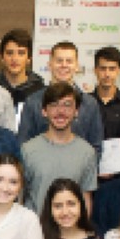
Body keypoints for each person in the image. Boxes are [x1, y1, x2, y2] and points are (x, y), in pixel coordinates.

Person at [21, 82, 97, 216]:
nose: (60, 111)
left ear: (76, 111)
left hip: (71, 232)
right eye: (54, 105)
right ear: (44, 111)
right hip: (35, 231)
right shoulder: (27, 150)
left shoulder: (87, 152)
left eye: (67, 105)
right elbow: (20, 196)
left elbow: (86, 198)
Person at [17, 41, 104, 157]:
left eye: (69, 61)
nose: (64, 65)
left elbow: (96, 147)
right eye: (59, 61)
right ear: (49, 64)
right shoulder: (33, 101)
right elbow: (23, 144)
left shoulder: (89, 103)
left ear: (76, 66)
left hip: (77, 171)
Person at [0, 28, 45, 129]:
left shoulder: (40, 90)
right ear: (2, 58)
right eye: (9, 53)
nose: (15, 59)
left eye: (21, 53)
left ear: (29, 58)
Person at [90, 46, 120, 145]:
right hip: (90, 158)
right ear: (95, 70)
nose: (107, 74)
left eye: (112, 69)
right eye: (103, 69)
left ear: (119, 71)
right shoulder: (85, 101)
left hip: (118, 160)